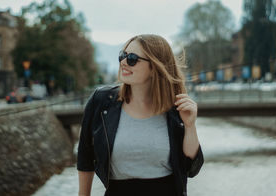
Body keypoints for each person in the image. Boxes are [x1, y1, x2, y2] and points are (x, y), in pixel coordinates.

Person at [77, 34, 204, 196]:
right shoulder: (101, 101)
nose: (123, 62)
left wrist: (190, 125)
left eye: (132, 58)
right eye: (122, 56)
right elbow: (85, 158)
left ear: (155, 67)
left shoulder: (176, 108)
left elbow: (191, 167)